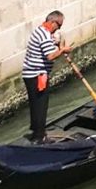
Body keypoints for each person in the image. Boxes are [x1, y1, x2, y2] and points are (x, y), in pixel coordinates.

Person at [21, 10, 70, 142]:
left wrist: (54, 44)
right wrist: (62, 50)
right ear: (52, 22)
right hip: (37, 76)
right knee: (41, 104)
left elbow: (44, 49)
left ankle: (36, 131)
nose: (59, 29)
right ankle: (40, 136)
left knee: (35, 103)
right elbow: (50, 56)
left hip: (31, 74)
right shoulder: (44, 35)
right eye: (59, 25)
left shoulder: (41, 31)